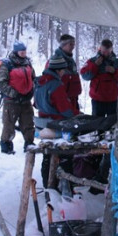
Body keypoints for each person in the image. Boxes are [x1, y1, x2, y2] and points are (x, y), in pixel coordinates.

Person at [34, 54, 81, 187]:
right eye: (63, 71)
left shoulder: (40, 82)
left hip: (42, 126)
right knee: (67, 152)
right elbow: (65, 110)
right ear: (58, 70)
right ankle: (66, 185)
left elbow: (36, 104)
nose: (64, 73)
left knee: (47, 156)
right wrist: (77, 114)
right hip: (56, 128)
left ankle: (48, 184)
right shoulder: (55, 85)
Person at [0, 41, 36, 154]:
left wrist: (31, 90)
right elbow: (1, 83)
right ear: (16, 51)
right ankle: (6, 146)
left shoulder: (27, 63)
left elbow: (32, 77)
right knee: (9, 124)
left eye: (25, 52)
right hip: (11, 101)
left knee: (28, 123)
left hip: (26, 100)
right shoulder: (7, 65)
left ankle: (29, 143)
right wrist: (14, 94)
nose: (24, 54)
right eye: (21, 52)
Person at [80, 38, 118, 117]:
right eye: (103, 51)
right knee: (97, 124)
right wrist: (95, 66)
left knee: (111, 125)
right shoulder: (92, 61)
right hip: (97, 100)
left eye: (107, 52)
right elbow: (85, 76)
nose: (105, 54)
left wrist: (114, 71)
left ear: (111, 50)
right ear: (100, 48)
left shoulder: (117, 63)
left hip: (112, 100)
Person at [46, 34, 82, 113]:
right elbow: (49, 81)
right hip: (62, 101)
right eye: (70, 44)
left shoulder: (71, 60)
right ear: (63, 45)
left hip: (73, 99)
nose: (73, 46)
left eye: (74, 44)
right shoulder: (55, 60)